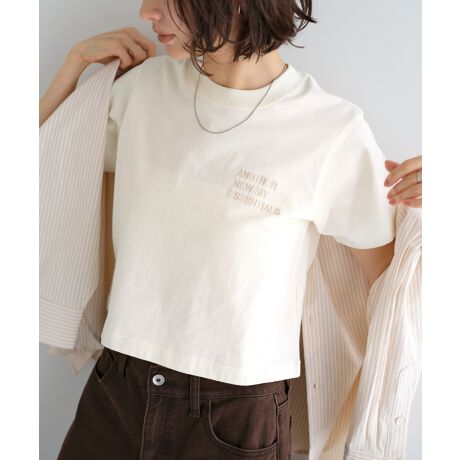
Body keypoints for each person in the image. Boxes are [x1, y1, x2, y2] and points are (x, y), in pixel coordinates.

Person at [39, 1, 422, 459]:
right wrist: (74, 65)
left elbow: (397, 287)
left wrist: (432, 216)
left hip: (238, 414)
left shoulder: (330, 130)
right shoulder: (142, 89)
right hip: (119, 389)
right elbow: (40, 169)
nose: (145, 11)